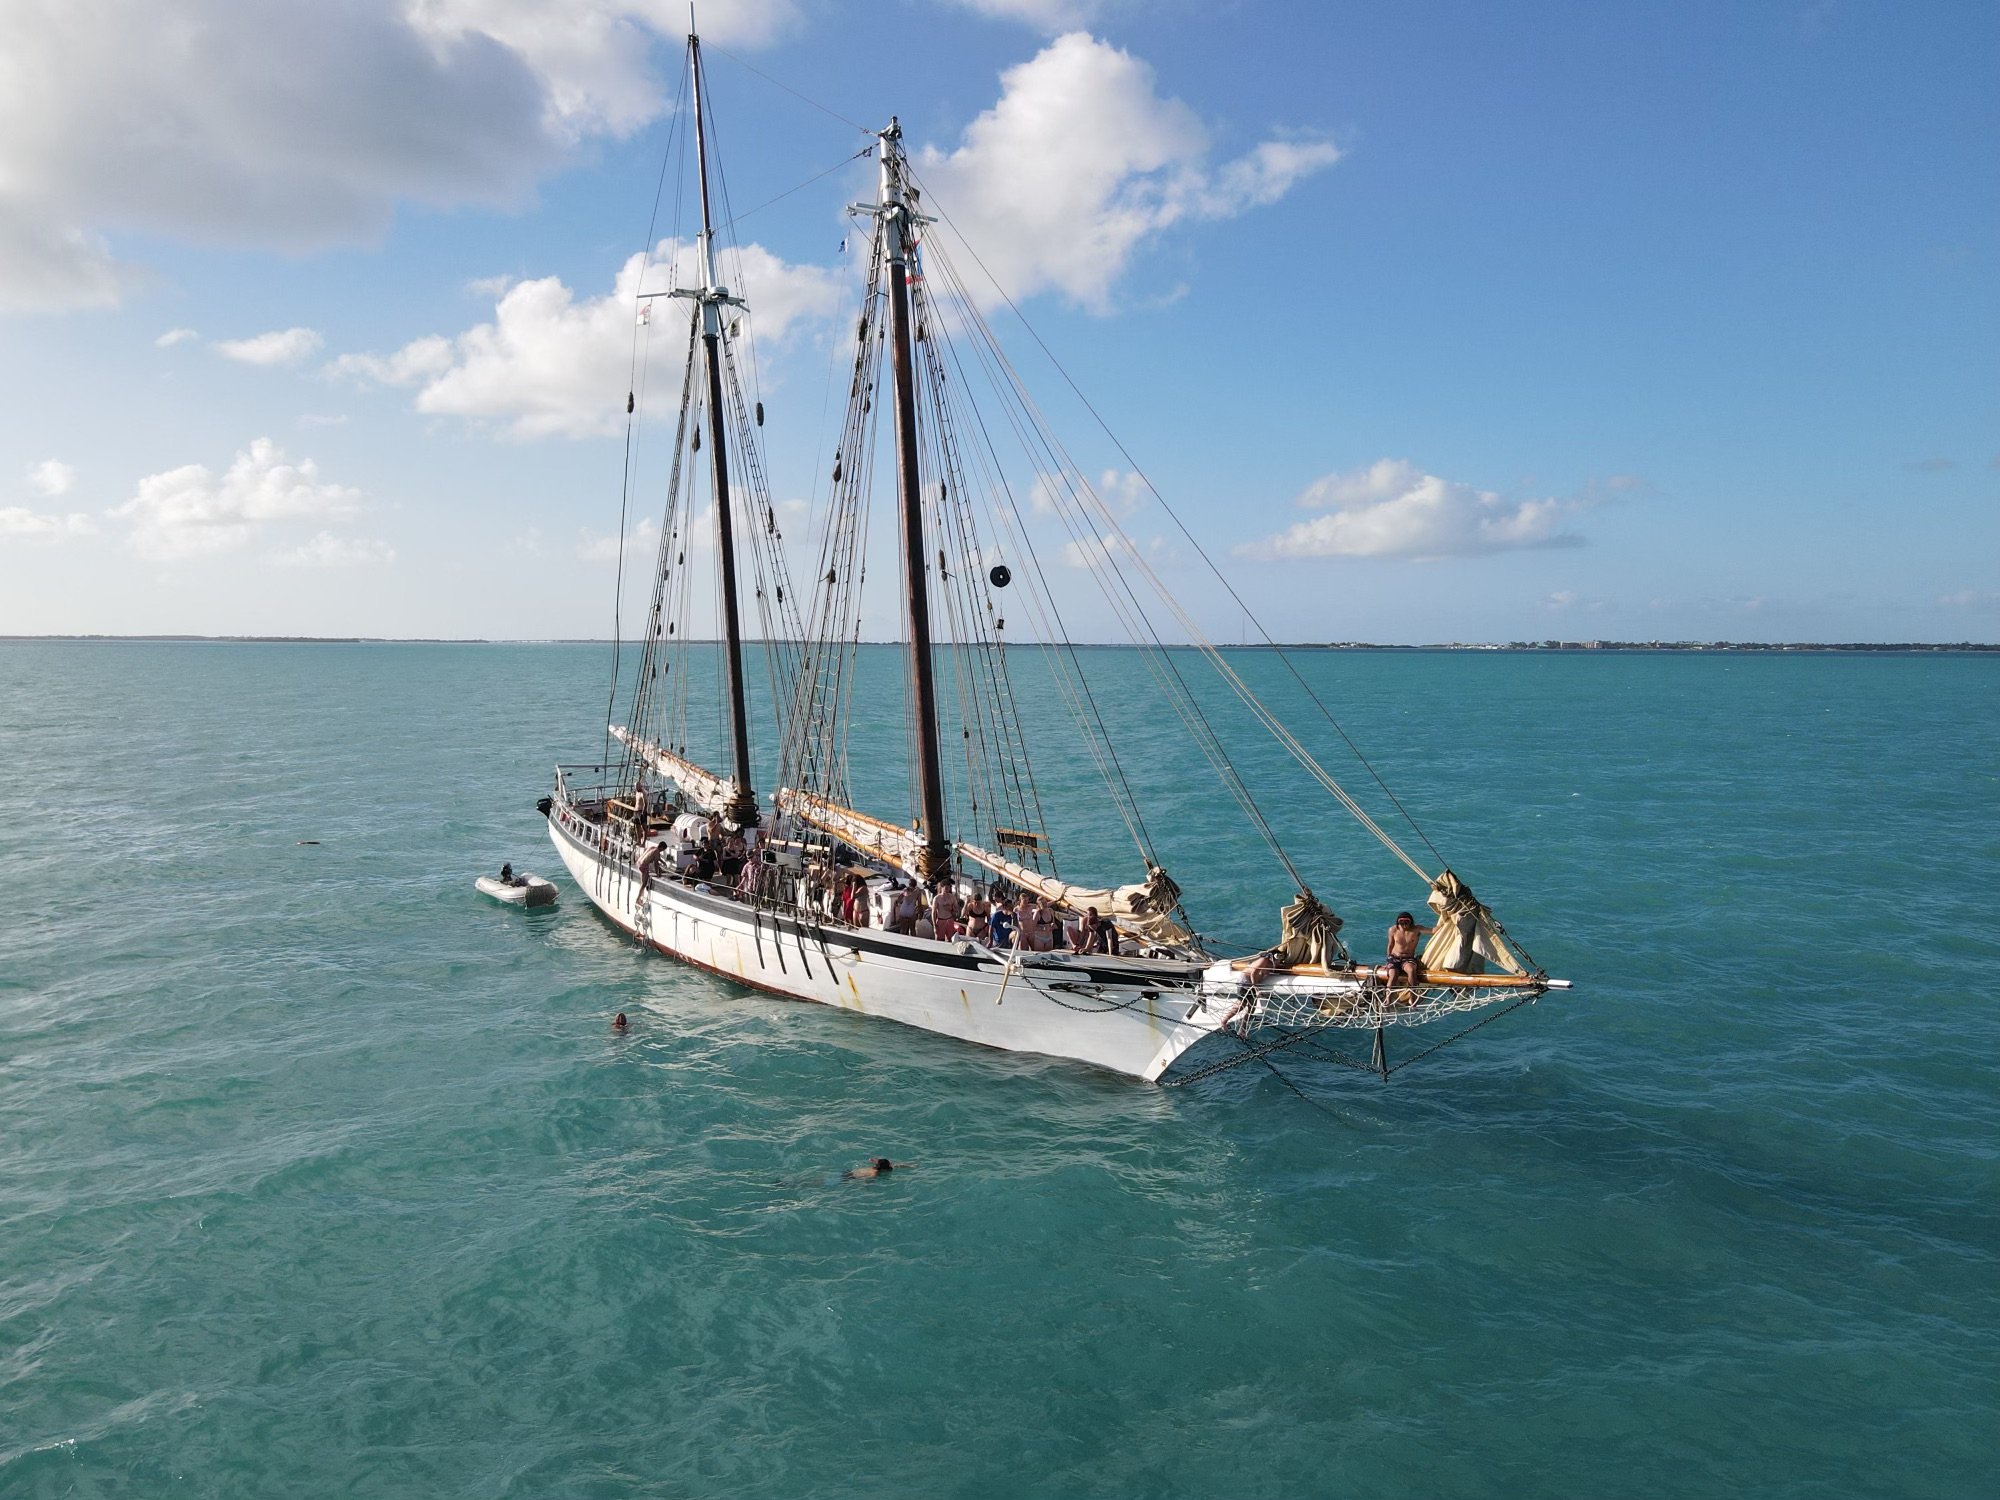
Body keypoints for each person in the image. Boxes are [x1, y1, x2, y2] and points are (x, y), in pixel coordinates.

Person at [1386, 910, 1433, 991]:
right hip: (1394, 957)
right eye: (1401, 922)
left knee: (1411, 971)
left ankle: (1413, 999)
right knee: (1393, 974)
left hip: (1408, 959)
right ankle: (1388, 1000)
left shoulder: (1417, 929)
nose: (1404, 924)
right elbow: (1390, 945)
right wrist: (1388, 960)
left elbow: (1432, 931)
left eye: (1406, 922)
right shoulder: (1393, 930)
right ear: (1398, 922)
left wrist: (1445, 922)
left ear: (1411, 922)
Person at [843, 1157, 913, 1180]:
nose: (891, 1163)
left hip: (850, 1172)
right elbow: (867, 1179)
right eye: (889, 1163)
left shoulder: (877, 1165)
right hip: (851, 1177)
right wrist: (866, 1189)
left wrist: (910, 1166)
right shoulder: (875, 1172)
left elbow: (898, 1165)